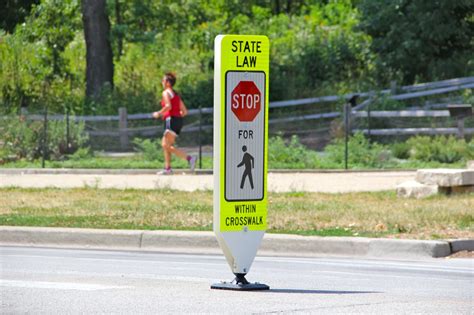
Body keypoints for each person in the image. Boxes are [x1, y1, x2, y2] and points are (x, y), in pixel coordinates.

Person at [152, 72, 196, 174]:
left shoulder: (166, 93)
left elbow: (168, 106)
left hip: (171, 120)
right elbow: (184, 111)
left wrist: (158, 113)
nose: (162, 82)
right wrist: (176, 115)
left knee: (165, 145)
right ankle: (168, 169)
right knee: (167, 145)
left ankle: (189, 158)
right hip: (177, 121)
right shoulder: (176, 94)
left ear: (168, 83)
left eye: (163, 80)